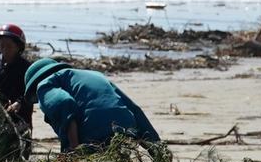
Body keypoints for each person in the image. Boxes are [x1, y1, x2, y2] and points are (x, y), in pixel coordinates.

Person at [21, 58, 159, 152]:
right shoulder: (94, 75)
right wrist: (155, 147)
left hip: (93, 129)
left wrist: (74, 150)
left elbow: (64, 104)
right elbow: (133, 108)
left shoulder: (43, 86)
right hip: (126, 126)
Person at [0, 25, 32, 162]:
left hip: (20, 123)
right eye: (2, 46)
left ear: (19, 47)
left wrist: (19, 103)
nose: (5, 50)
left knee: (18, 161)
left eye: (9, 46)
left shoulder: (27, 69)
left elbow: (32, 93)